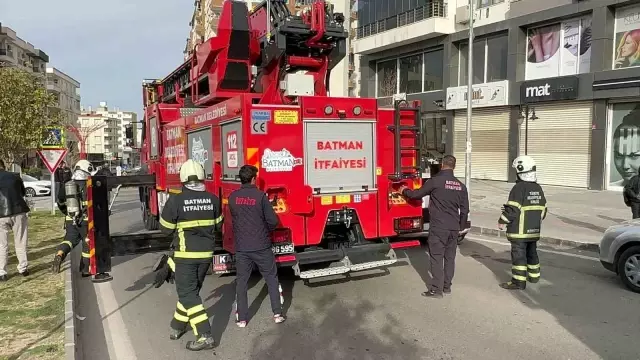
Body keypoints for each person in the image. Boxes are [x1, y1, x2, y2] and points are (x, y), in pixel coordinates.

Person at [157, 159, 223, 351]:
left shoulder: (176, 200)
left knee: (187, 294)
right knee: (191, 293)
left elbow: (165, 230)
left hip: (185, 256)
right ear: (202, 177)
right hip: (206, 256)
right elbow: (219, 225)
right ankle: (177, 326)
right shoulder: (213, 199)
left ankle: (204, 335)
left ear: (183, 178)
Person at [399, 155, 469, 298]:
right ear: (454, 166)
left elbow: (416, 195)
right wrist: (460, 227)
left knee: (436, 258)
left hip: (439, 227)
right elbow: (465, 209)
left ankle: (436, 290)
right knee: (450, 258)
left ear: (442, 164)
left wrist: (404, 190)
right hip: (453, 227)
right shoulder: (461, 186)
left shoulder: (435, 181)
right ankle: (447, 287)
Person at [229, 165, 285, 327]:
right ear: (253, 178)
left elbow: (235, 219)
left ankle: (242, 319)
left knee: (242, 282)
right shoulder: (260, 197)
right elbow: (273, 221)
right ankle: (277, 314)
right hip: (261, 246)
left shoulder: (233, 197)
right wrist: (264, 230)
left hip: (242, 248)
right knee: (271, 278)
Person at [497, 155, 548, 290]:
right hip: (534, 231)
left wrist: (502, 220)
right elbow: (543, 210)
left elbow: (513, 209)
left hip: (519, 232)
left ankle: (518, 282)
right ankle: (534, 277)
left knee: (519, 257)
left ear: (520, 170)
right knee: (532, 254)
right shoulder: (538, 188)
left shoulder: (518, 188)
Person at [51, 160, 94, 276]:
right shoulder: (90, 184)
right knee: (87, 243)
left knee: (69, 240)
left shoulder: (67, 184)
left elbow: (60, 202)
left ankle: (59, 254)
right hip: (86, 220)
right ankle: (85, 270)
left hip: (70, 219)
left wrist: (67, 213)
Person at [0, 159, 30, 281]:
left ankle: (2, 272)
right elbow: (22, 192)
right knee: (21, 240)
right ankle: (23, 268)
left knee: (2, 244)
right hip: (19, 211)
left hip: (1, 215)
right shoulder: (14, 176)